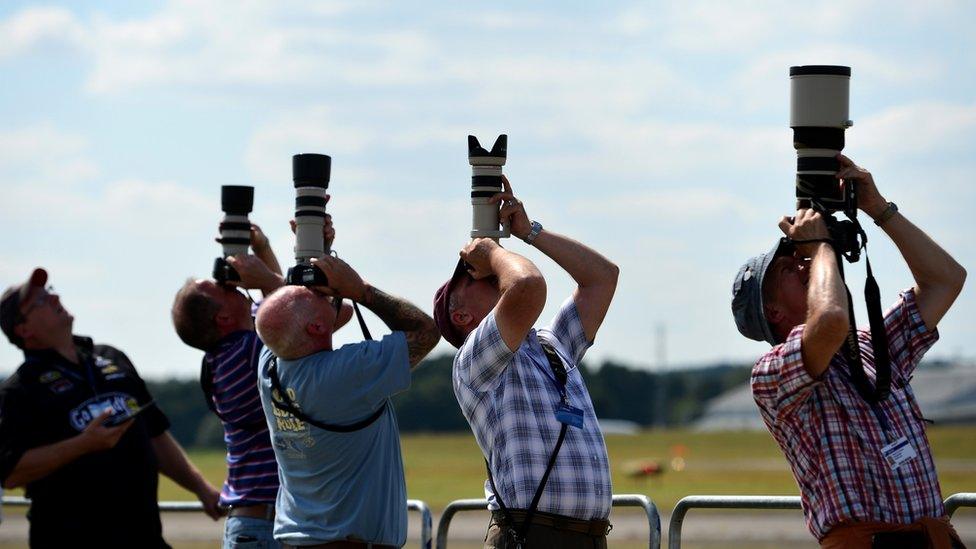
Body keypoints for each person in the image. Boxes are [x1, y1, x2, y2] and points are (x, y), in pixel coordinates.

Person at [732, 154, 967, 548]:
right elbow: (829, 321)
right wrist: (821, 244)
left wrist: (879, 209)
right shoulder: (769, 375)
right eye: (790, 268)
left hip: (933, 537)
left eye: (802, 258)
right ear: (771, 311)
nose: (804, 264)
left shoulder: (867, 347)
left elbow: (946, 280)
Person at [433, 177, 619, 548]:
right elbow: (528, 287)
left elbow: (602, 278)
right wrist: (494, 253)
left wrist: (529, 231)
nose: (485, 272)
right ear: (462, 317)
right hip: (529, 535)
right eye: (471, 275)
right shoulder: (474, 361)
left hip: (586, 538)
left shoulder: (549, 345)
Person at [0, 267, 222, 548]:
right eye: (41, 301)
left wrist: (202, 489)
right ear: (24, 329)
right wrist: (82, 444)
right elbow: (9, 473)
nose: (55, 299)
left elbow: (155, 434)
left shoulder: (111, 357)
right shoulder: (20, 389)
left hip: (144, 537)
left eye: (51, 291)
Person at [254, 253, 440, 548]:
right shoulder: (343, 375)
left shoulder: (269, 366)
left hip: (296, 539)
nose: (319, 294)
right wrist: (360, 290)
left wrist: (321, 254)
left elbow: (285, 316)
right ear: (315, 328)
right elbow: (426, 331)